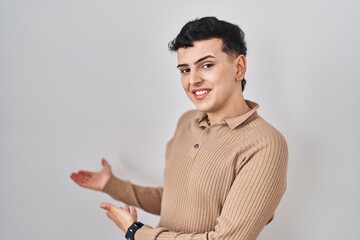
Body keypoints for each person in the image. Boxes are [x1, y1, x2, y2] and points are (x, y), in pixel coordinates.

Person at [70, 16, 288, 240]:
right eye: (185, 70)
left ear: (239, 68)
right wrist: (111, 185)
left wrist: (137, 233)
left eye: (207, 65)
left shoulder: (265, 143)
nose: (193, 80)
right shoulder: (186, 122)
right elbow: (176, 201)